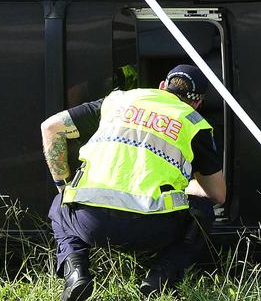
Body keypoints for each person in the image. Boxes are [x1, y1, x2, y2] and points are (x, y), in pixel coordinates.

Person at [42, 64, 227, 301]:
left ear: (162, 86)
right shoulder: (194, 122)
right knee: (202, 211)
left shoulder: (118, 100)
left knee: (62, 202)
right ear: (198, 103)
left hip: (91, 223)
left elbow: (51, 127)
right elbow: (218, 194)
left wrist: (65, 185)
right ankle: (159, 278)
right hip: (152, 228)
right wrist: (182, 187)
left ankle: (76, 272)